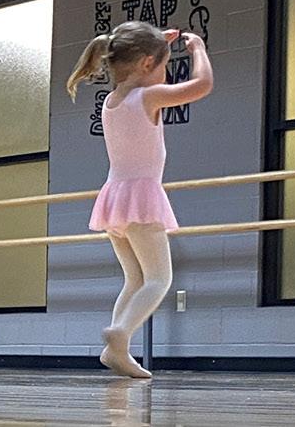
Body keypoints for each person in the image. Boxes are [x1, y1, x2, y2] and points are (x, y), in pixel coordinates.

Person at [65, 21, 214, 379]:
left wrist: (157, 44)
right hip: (141, 198)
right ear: (147, 63)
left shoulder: (111, 102)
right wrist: (198, 49)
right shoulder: (147, 97)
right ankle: (120, 333)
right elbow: (202, 85)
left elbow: (139, 64)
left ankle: (115, 350)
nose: (165, 74)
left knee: (134, 278)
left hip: (115, 197)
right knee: (159, 279)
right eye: (164, 65)